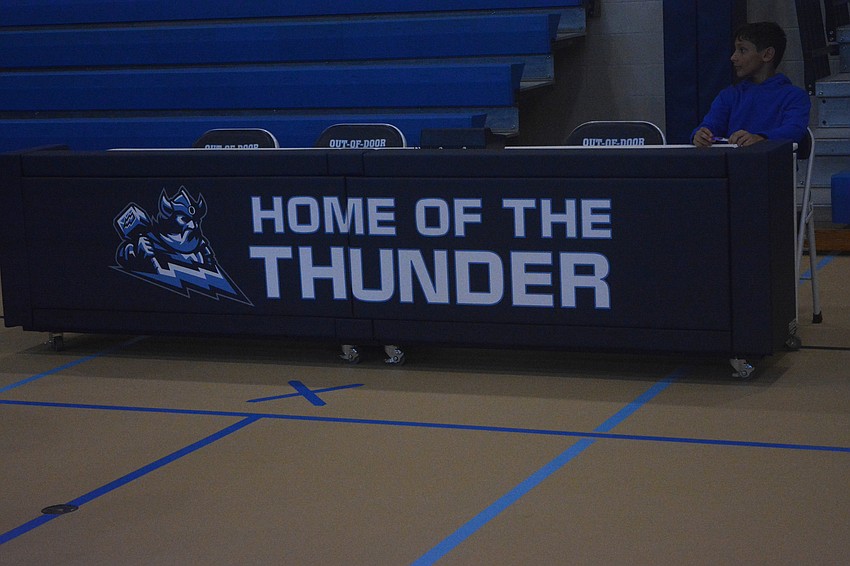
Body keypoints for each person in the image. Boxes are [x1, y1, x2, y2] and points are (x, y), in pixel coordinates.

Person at [692, 21, 811, 148]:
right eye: (735, 50)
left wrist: (761, 138)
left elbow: (794, 130)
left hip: (775, 166)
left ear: (767, 54)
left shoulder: (795, 96)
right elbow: (710, 125)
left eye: (742, 50)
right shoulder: (728, 95)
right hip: (733, 165)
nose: (733, 57)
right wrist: (700, 135)